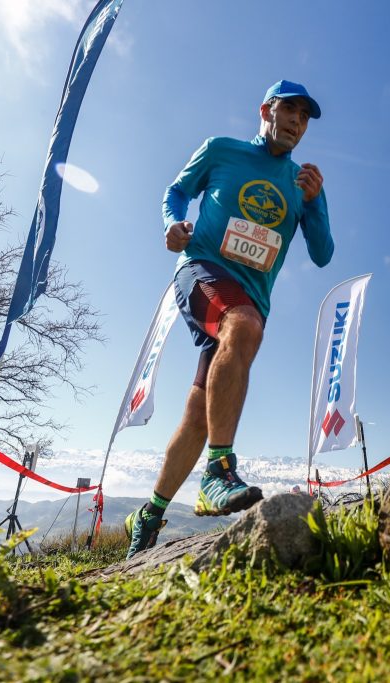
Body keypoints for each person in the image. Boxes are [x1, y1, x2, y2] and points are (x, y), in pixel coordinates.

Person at [124, 80, 333, 560]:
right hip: (203, 271)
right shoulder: (222, 150)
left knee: (200, 415)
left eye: (305, 117)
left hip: (251, 296)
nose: (297, 123)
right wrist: (171, 226)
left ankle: (149, 515)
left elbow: (323, 255)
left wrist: (316, 203)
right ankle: (218, 472)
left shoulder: (302, 183)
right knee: (243, 326)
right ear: (266, 110)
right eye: (290, 111)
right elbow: (176, 192)